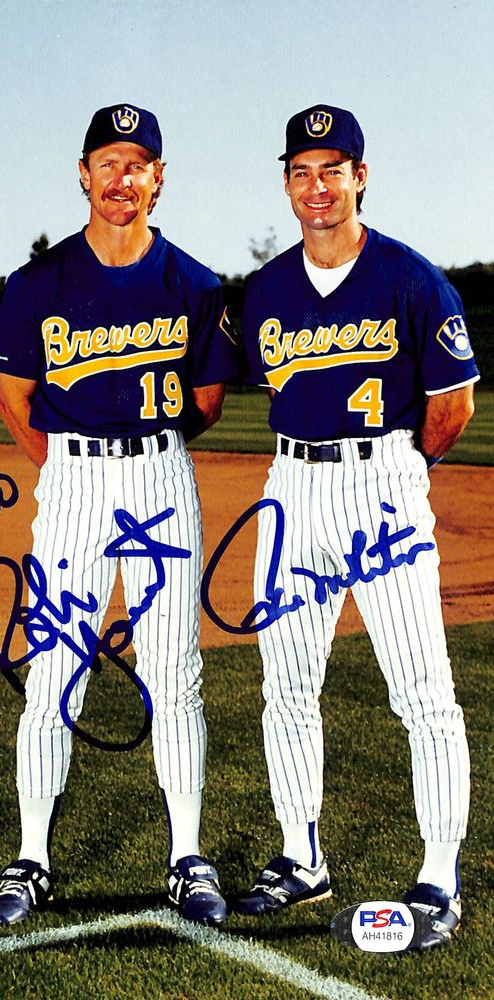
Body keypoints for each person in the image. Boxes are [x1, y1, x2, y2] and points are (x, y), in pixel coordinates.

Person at [0, 103, 240, 927]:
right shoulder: (37, 284)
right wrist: (67, 466)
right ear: (83, 175)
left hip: (161, 478)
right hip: (73, 484)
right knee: (54, 671)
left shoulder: (195, 284)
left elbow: (202, 400)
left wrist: (146, 451)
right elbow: (16, 398)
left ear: (157, 179)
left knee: (174, 674)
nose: (121, 177)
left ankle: (187, 856)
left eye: (138, 163)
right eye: (108, 161)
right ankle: (30, 859)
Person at [233, 104, 478, 950]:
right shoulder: (263, 291)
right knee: (287, 686)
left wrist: (399, 470)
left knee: (421, 693)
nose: (315, 185)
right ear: (287, 182)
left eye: (331, 169)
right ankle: (301, 857)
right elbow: (265, 385)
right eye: (300, 171)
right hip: (292, 487)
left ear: (359, 177)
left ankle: (437, 875)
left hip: (381, 486)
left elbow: (451, 406)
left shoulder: (411, 280)